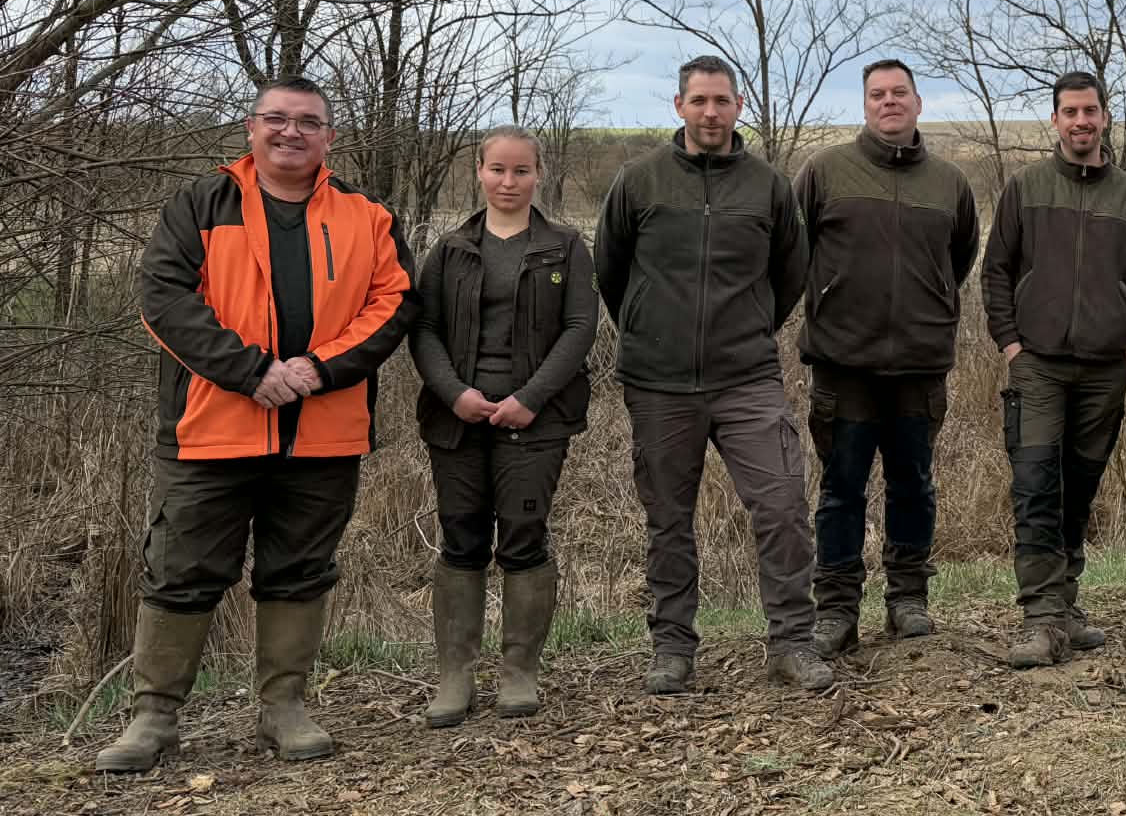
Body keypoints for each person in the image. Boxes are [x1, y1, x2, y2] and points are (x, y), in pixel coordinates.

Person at [98, 77, 417, 772]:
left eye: (308, 122)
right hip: (210, 430)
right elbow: (163, 299)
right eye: (276, 119)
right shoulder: (199, 205)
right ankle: (153, 718)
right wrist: (253, 372)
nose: (291, 132)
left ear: (330, 137)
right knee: (181, 572)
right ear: (251, 128)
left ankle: (284, 709)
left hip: (324, 432)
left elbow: (394, 304)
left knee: (299, 570)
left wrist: (317, 369)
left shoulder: (367, 215)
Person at [594, 55, 830, 694]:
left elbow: (790, 276)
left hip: (745, 377)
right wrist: (653, 329)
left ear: (738, 106)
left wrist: (747, 326)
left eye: (721, 100)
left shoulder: (768, 187)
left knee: (781, 506)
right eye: (698, 100)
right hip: (659, 382)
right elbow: (612, 274)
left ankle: (792, 642)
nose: (710, 112)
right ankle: (672, 649)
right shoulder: (638, 182)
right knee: (669, 521)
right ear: (678, 106)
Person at [409, 126, 596, 726]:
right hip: (458, 417)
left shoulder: (566, 247)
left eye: (521, 171)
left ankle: (519, 671)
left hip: (535, 419)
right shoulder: (451, 249)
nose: (508, 182)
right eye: (497, 170)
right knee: (461, 535)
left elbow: (578, 331)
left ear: (539, 174)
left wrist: (531, 397)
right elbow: (425, 329)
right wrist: (454, 392)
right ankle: (455, 676)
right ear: (479, 173)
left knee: (523, 533)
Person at [982, 70, 1126, 668]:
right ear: (1056, 120)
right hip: (1036, 364)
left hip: (1105, 370)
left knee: (1079, 489)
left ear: (1105, 118)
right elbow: (997, 270)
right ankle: (1040, 619)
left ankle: (1066, 605)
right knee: (1036, 484)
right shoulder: (1026, 187)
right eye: (1070, 112)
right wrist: (1011, 343)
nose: (1081, 121)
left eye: (1091, 111)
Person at [795, 59, 979, 652]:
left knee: (914, 485)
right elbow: (790, 252)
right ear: (865, 105)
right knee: (841, 487)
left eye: (900, 93)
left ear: (919, 104)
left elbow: (960, 258)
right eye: (878, 94)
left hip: (919, 366)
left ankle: (907, 599)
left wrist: (930, 306)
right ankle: (837, 609)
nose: (889, 102)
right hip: (842, 365)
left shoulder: (949, 182)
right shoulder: (824, 171)